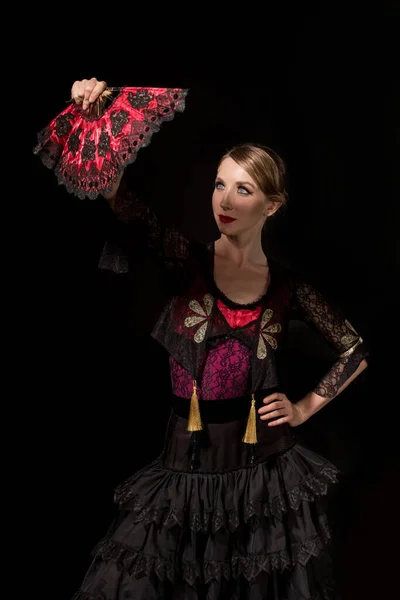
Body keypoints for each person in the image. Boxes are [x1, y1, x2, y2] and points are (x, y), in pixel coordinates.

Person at [36, 78, 369, 599]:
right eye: (219, 184)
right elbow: (118, 198)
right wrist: (98, 118)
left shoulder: (289, 287)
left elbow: (355, 349)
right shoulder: (183, 260)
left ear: (272, 205)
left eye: (244, 188)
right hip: (187, 463)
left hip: (265, 472)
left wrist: (304, 407)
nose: (226, 199)